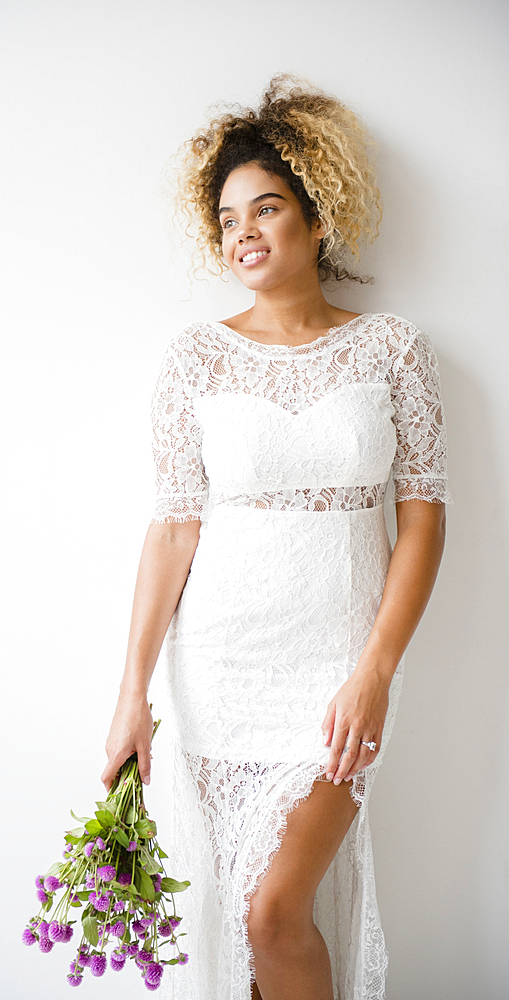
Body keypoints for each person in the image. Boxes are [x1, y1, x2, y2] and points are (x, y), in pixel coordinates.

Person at [101, 74, 452, 1000]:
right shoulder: (195, 359)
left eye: (267, 207)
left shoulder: (393, 349)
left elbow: (422, 513)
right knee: (251, 912)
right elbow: (174, 529)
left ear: (316, 216)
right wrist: (132, 693)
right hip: (221, 664)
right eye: (227, 218)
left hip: (341, 656)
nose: (244, 231)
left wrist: (377, 667)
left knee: (272, 910)